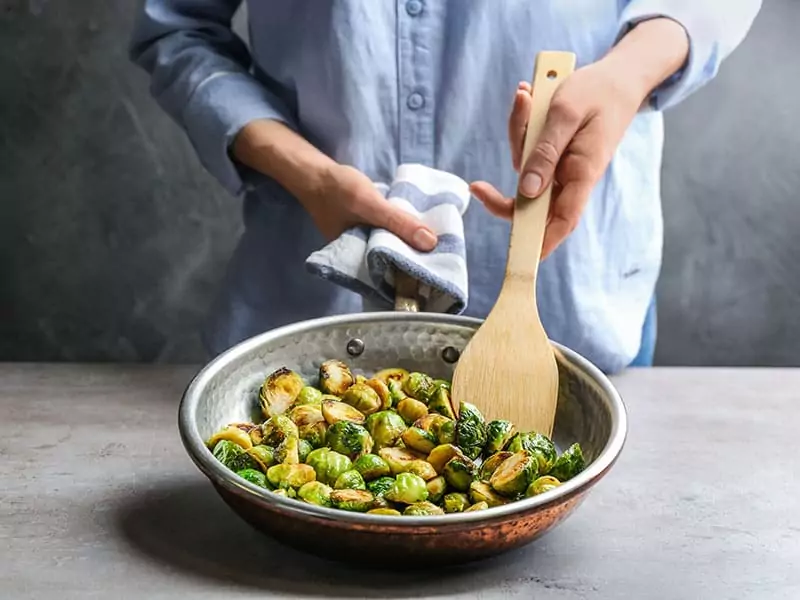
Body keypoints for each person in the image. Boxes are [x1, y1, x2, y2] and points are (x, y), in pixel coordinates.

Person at [129, 1, 761, 374]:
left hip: (571, 309)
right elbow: (179, 28)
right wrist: (311, 174)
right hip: (310, 320)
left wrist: (629, 72)